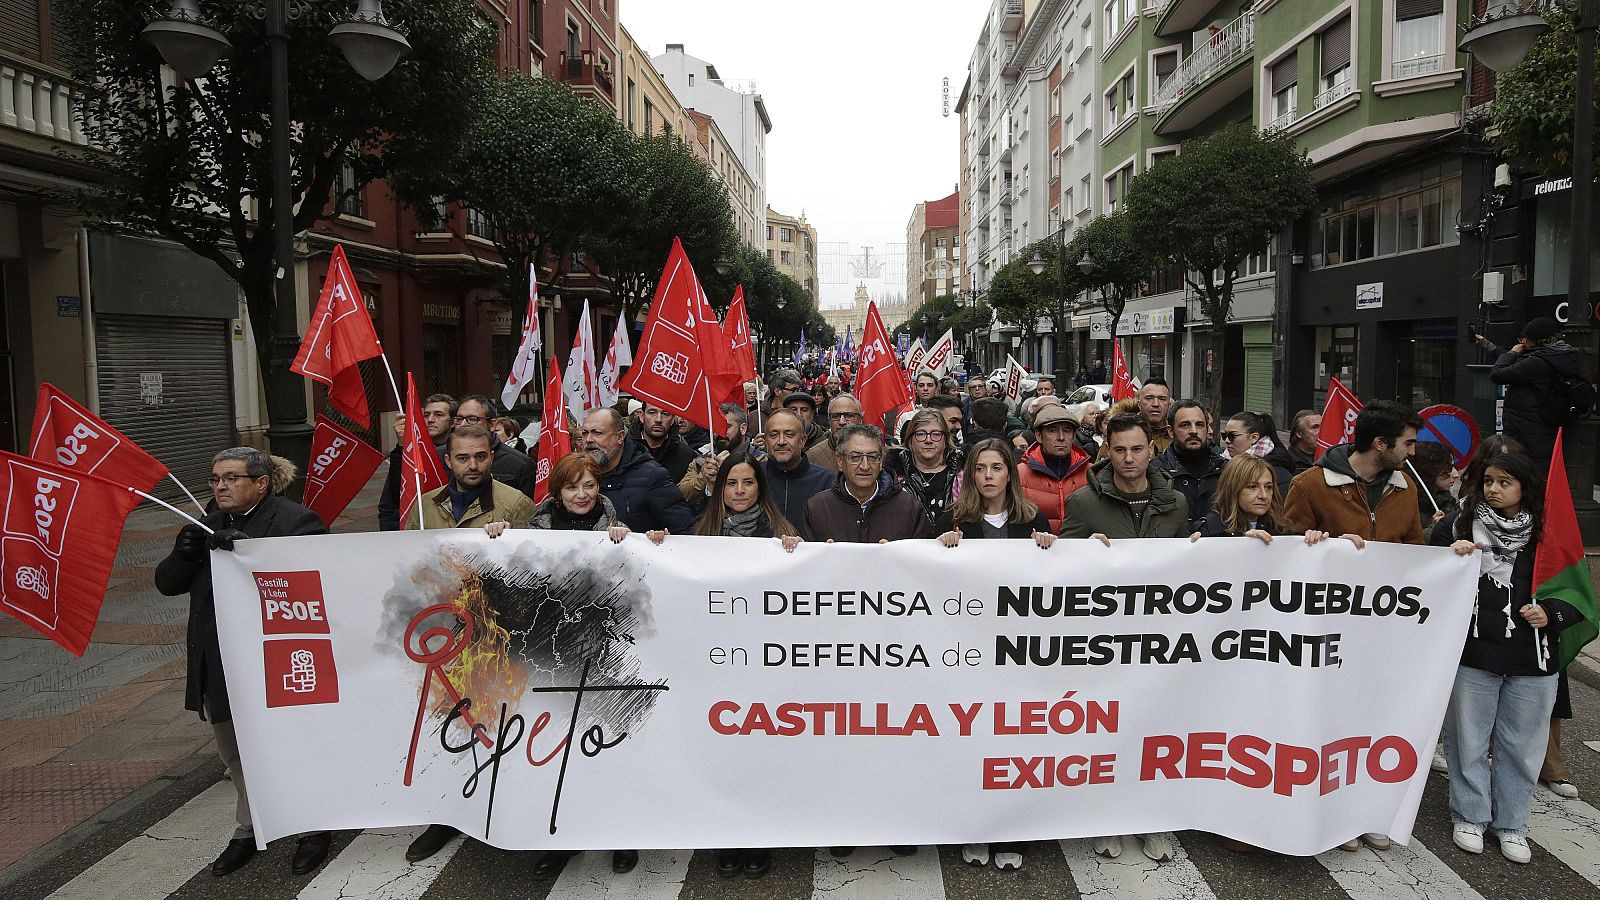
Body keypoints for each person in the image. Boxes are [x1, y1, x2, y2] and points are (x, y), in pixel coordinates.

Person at [155, 449, 330, 877]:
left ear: (262, 482)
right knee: (235, 752)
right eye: (215, 479)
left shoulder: (296, 521)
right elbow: (166, 584)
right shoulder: (205, 524)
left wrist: (258, 558)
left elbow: (321, 579)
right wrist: (183, 554)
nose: (220, 487)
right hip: (217, 661)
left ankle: (314, 827)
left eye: (231, 479)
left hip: (276, 661)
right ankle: (249, 827)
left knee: (293, 747)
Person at [642, 451, 801, 878]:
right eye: (732, 484)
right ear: (720, 488)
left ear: (760, 488)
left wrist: (799, 555)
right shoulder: (699, 532)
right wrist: (659, 546)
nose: (740, 491)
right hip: (714, 667)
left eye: (748, 483)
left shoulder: (782, 533)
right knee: (721, 753)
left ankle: (758, 835)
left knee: (760, 753)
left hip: (766, 667)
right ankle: (727, 835)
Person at [478, 453, 631, 874]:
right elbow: (512, 574)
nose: (582, 495)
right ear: (557, 493)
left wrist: (635, 540)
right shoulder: (535, 531)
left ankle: (621, 832)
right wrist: (498, 535)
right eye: (571, 487)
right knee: (560, 747)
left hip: (604, 657)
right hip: (551, 655)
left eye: (589, 485)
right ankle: (561, 837)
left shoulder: (616, 527)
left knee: (609, 743)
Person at [1434, 451, 1580, 863]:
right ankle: (1470, 815)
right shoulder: (1457, 524)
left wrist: (1552, 613)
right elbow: (1425, 577)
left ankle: (1513, 823)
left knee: (1522, 745)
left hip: (1533, 659)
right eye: (1489, 482)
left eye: (1504, 483)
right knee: (1468, 740)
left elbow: (1575, 591)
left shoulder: (1549, 533)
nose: (1494, 490)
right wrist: (1451, 556)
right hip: (1474, 653)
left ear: (1524, 487)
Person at [1058, 414, 1187, 863]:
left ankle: (1151, 821)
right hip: (1103, 644)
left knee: (1154, 734)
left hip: (1158, 644)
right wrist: (1081, 554)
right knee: (1103, 735)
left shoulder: (1176, 503)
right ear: (1106, 451)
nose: (1129, 458)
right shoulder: (1082, 503)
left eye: (1137, 449)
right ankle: (1104, 818)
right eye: (1120, 450)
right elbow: (1058, 577)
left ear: (1151, 449)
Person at [934, 437, 1054, 873]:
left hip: (1016, 654)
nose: (988, 477)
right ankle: (975, 828)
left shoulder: (1032, 518)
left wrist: (1048, 545)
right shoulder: (955, 519)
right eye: (980, 468)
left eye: (996, 468)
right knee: (973, 747)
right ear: (970, 474)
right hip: (968, 653)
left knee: (1012, 748)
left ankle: (1011, 829)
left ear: (1010, 474)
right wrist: (941, 545)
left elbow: (1050, 583)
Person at [1282, 400, 1424, 548]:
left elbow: (1414, 550)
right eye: (1408, 444)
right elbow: (1291, 551)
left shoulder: (1406, 486)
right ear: (1380, 443)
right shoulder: (1309, 485)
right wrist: (1335, 547)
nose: (1412, 452)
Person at [801, 423, 931, 545]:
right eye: (855, 457)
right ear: (840, 461)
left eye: (872, 457)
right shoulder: (817, 508)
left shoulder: (909, 508)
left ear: (881, 462)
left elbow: (922, 560)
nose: (865, 466)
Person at [579, 408, 694, 534]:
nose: (589, 439)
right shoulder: (574, 474)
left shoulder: (652, 476)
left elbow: (683, 530)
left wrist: (658, 538)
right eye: (585, 433)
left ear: (620, 437)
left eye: (598, 433)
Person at [1484, 316, 1580, 465]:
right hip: (1541, 427)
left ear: (1542, 341)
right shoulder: (1556, 356)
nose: (1522, 342)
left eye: (1526, 338)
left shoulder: (1537, 362)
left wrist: (1511, 353)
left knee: (1522, 471)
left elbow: (1497, 374)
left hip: (1525, 430)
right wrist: (1486, 343)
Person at [1191, 455, 1338, 546]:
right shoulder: (1209, 530)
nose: (1263, 495)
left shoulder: (1281, 530)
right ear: (1233, 489)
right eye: (1252, 487)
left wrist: (1315, 544)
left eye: (1268, 487)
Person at [408, 426, 537, 529]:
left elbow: (529, 558)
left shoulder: (516, 504)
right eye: (462, 458)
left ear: (491, 458)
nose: (473, 466)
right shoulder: (424, 505)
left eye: (480, 457)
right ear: (448, 461)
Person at [379, 393, 455, 531]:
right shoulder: (411, 451)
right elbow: (393, 496)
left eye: (439, 415)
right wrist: (402, 445)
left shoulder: (461, 452)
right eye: (426, 415)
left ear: (453, 421)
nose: (430, 420)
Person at [1017, 405, 1092, 534]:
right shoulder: (1020, 474)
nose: (1061, 437)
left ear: (1074, 436)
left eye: (1067, 431)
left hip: (1081, 550)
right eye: (1052, 431)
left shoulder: (1091, 472)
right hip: (1037, 550)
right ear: (1039, 436)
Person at [886, 408, 963, 531]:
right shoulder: (892, 477)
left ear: (945, 439)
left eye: (936, 434)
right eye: (921, 434)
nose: (928, 440)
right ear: (910, 439)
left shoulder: (961, 475)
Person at [1153, 400, 1226, 529]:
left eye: (1199, 425)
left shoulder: (1227, 470)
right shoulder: (1154, 472)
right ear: (1171, 431)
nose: (1193, 431)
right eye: (1185, 425)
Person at [759, 409, 834, 527]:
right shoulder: (754, 477)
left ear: (803, 440)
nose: (781, 441)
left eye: (789, 435)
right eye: (774, 435)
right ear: (765, 441)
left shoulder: (827, 481)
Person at [455, 395, 538, 496]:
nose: (463, 424)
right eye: (459, 419)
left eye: (472, 419)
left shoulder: (520, 464)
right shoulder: (438, 457)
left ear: (492, 425)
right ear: (448, 461)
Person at [1221, 410, 1294, 497]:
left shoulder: (1280, 475)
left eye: (1232, 436)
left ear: (1254, 437)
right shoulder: (1221, 463)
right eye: (1225, 435)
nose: (1226, 441)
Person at [632, 403, 697, 484]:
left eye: (665, 414)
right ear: (642, 416)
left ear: (673, 419)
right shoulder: (624, 450)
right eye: (652, 413)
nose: (658, 419)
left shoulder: (686, 455)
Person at [1410, 440, 1460, 542]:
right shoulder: (1408, 504)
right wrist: (1435, 528)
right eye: (1448, 467)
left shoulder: (1449, 503)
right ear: (1429, 469)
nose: (1456, 474)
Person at [807, 393, 863, 472]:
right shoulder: (812, 457)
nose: (842, 422)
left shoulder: (878, 453)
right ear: (829, 421)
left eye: (849, 415)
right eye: (835, 416)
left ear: (860, 420)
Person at [1286, 408, 1321, 474]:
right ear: (1299, 433)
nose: (1321, 431)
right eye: (1314, 427)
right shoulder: (1287, 462)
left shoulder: (1328, 457)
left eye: (1323, 426)